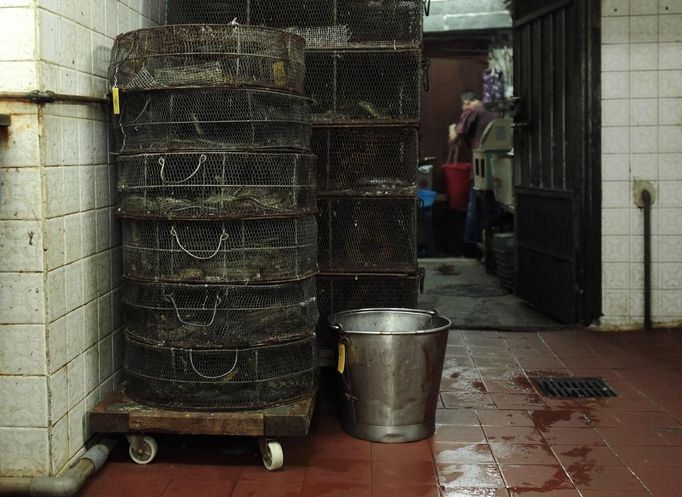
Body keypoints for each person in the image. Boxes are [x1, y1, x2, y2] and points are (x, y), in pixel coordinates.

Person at [448, 91, 498, 248]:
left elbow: (455, 138)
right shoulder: (494, 110)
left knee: (476, 205)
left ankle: (473, 244)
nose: (463, 108)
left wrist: (452, 128)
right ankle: (492, 242)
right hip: (499, 165)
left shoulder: (472, 110)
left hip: (480, 168)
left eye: (463, 104)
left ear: (467, 102)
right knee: (494, 206)